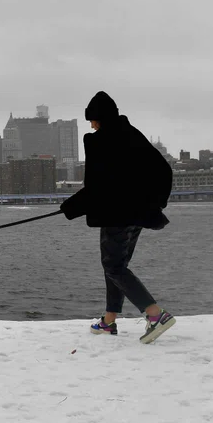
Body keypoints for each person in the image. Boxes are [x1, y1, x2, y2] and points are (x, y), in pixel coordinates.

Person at [60, 91, 175, 344]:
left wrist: (69, 207)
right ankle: (109, 321)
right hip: (139, 214)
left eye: (92, 120)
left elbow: (97, 188)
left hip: (117, 214)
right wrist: (154, 203)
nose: (91, 125)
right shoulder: (132, 135)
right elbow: (163, 170)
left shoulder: (102, 141)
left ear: (99, 118)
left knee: (113, 266)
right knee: (116, 266)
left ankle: (155, 315)